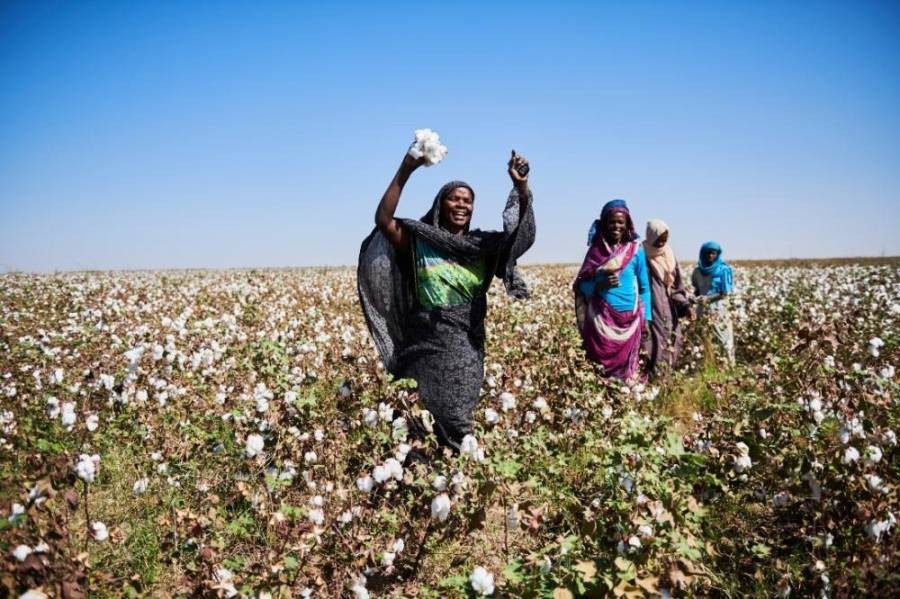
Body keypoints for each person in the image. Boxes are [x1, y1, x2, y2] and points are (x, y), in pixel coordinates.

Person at [357, 146, 535, 451]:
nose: (462, 205)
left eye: (468, 201)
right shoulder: (420, 241)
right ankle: (424, 485)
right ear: (441, 204)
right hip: (422, 349)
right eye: (455, 198)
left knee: (457, 420)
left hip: (465, 350)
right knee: (417, 424)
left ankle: (462, 484)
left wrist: (521, 187)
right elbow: (384, 219)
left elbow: (519, 237)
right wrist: (407, 168)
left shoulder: (483, 247)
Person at [573, 200, 651, 382]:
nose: (616, 226)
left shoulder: (635, 251)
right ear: (604, 224)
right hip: (601, 321)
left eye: (620, 222)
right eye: (612, 222)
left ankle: (626, 404)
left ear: (627, 224)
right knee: (600, 370)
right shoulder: (596, 252)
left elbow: (645, 288)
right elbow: (580, 286)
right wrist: (598, 286)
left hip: (631, 321)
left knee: (628, 372)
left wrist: (646, 319)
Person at [641, 219, 691, 378]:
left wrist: (685, 306)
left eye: (665, 238)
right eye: (659, 238)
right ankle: (653, 383)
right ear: (651, 236)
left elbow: (676, 287)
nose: (662, 242)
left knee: (671, 343)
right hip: (650, 311)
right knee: (651, 346)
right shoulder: (641, 255)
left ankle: (665, 383)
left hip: (669, 311)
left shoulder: (669, 255)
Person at [691, 241, 735, 365]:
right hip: (703, 310)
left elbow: (724, 293)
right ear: (702, 254)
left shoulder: (724, 270)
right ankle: (709, 365)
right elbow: (697, 290)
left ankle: (729, 367)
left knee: (724, 339)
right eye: (707, 253)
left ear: (717, 254)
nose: (710, 256)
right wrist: (694, 298)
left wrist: (708, 299)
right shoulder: (697, 272)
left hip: (719, 310)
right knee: (705, 339)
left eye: (713, 253)